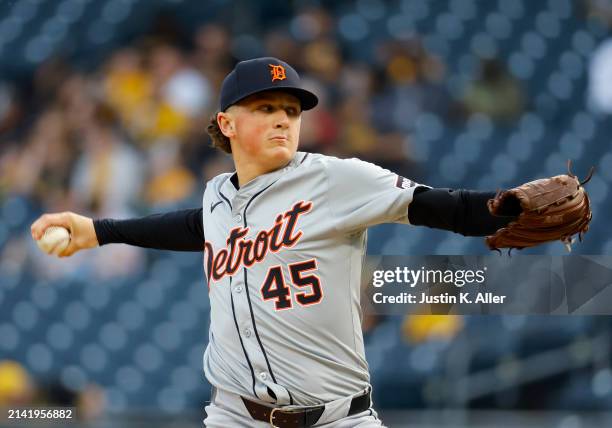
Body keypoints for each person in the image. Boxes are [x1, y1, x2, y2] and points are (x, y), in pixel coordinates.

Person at [31, 57, 520, 427]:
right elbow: (194, 227)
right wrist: (100, 231)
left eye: (291, 109)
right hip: (235, 415)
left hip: (337, 418)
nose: (284, 119)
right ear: (227, 124)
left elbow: (444, 207)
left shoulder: (336, 180)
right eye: (265, 108)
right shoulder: (218, 196)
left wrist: (515, 208)